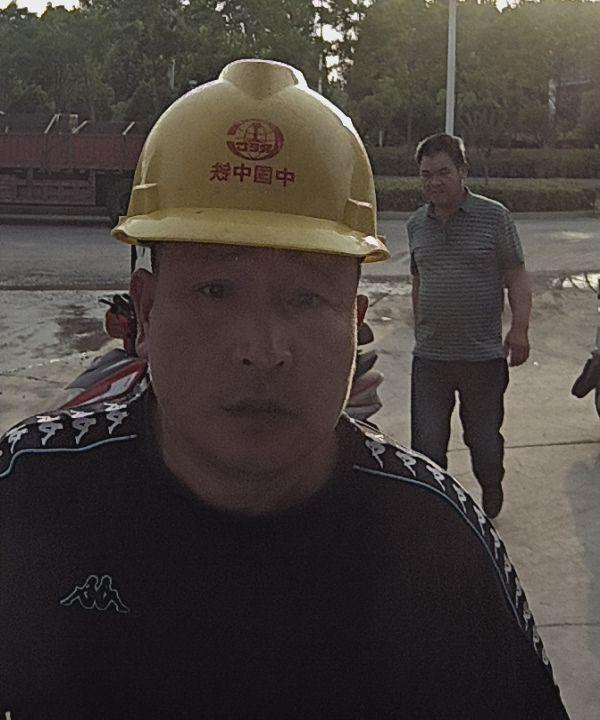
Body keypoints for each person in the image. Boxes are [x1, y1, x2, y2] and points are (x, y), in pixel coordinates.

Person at [0, 61, 567, 719]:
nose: (263, 350)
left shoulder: (436, 544)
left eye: (306, 298)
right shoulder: (32, 493)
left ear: (355, 324)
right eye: (215, 290)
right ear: (146, 313)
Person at [407, 132, 532, 520]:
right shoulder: (416, 224)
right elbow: (418, 278)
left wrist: (520, 329)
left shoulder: (494, 217)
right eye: (426, 174)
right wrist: (419, 323)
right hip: (430, 358)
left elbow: (516, 275)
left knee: (483, 442)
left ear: (463, 171)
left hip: (482, 359)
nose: (434, 182)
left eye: (443, 172)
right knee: (427, 443)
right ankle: (437, 509)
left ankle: (491, 483)